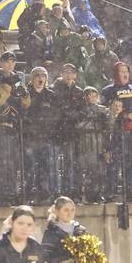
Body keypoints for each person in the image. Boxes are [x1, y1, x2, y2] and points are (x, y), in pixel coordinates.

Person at [100, 62, 132, 201]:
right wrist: (125, 115)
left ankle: (130, 194)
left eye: (126, 71)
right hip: (117, 132)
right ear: (115, 73)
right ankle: (110, 193)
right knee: (114, 164)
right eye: (121, 71)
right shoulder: (108, 90)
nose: (125, 73)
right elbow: (104, 111)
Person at [0, 52, 30, 205]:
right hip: (3, 124)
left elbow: (26, 101)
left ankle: (12, 192)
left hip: (16, 124)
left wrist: (21, 92)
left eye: (13, 62)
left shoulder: (17, 78)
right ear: (1, 62)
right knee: (4, 160)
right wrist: (8, 87)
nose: (10, 65)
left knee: (14, 161)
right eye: (7, 62)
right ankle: (3, 194)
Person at [24, 67, 59, 203]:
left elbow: (56, 114)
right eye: (37, 75)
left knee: (45, 167)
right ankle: (29, 194)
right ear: (32, 79)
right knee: (30, 167)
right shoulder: (27, 94)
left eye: (43, 75)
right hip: (30, 138)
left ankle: (44, 194)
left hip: (46, 137)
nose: (40, 78)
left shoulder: (51, 95)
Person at [52, 64, 84, 199]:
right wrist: (69, 113)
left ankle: (70, 191)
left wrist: (72, 115)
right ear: (61, 74)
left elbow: (81, 111)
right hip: (57, 131)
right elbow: (57, 109)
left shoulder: (78, 91)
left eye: (72, 72)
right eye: (66, 72)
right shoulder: (55, 89)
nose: (69, 75)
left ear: (75, 75)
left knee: (70, 163)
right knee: (53, 163)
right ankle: (56, 191)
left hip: (72, 132)